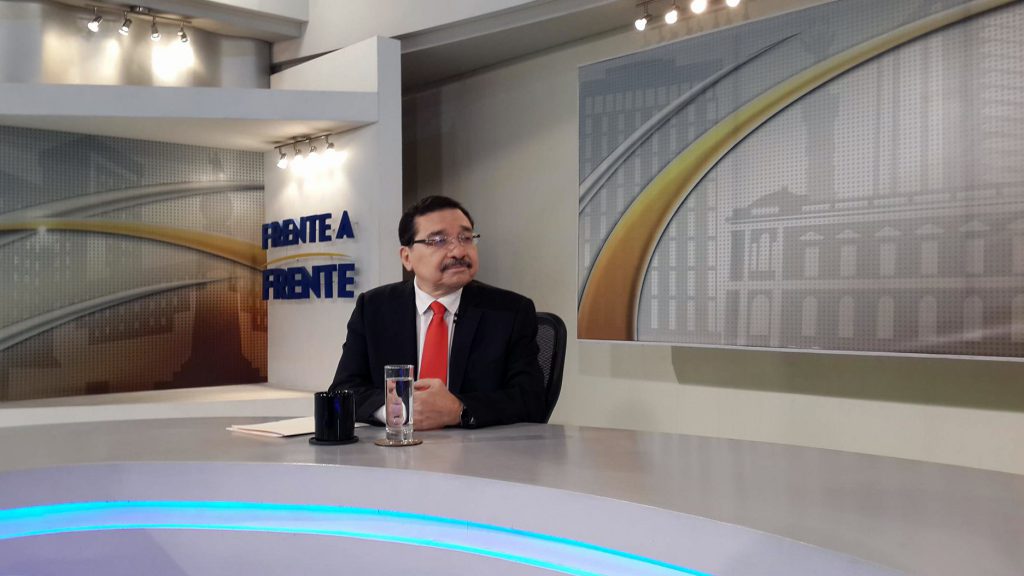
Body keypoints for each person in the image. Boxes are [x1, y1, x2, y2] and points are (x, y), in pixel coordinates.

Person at [329, 195, 547, 429]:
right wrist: (395, 410)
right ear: (407, 257)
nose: (459, 252)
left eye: (466, 238)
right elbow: (343, 390)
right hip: (394, 446)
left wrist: (458, 410)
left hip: (479, 448)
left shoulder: (510, 312)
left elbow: (531, 401)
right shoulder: (373, 308)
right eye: (439, 241)